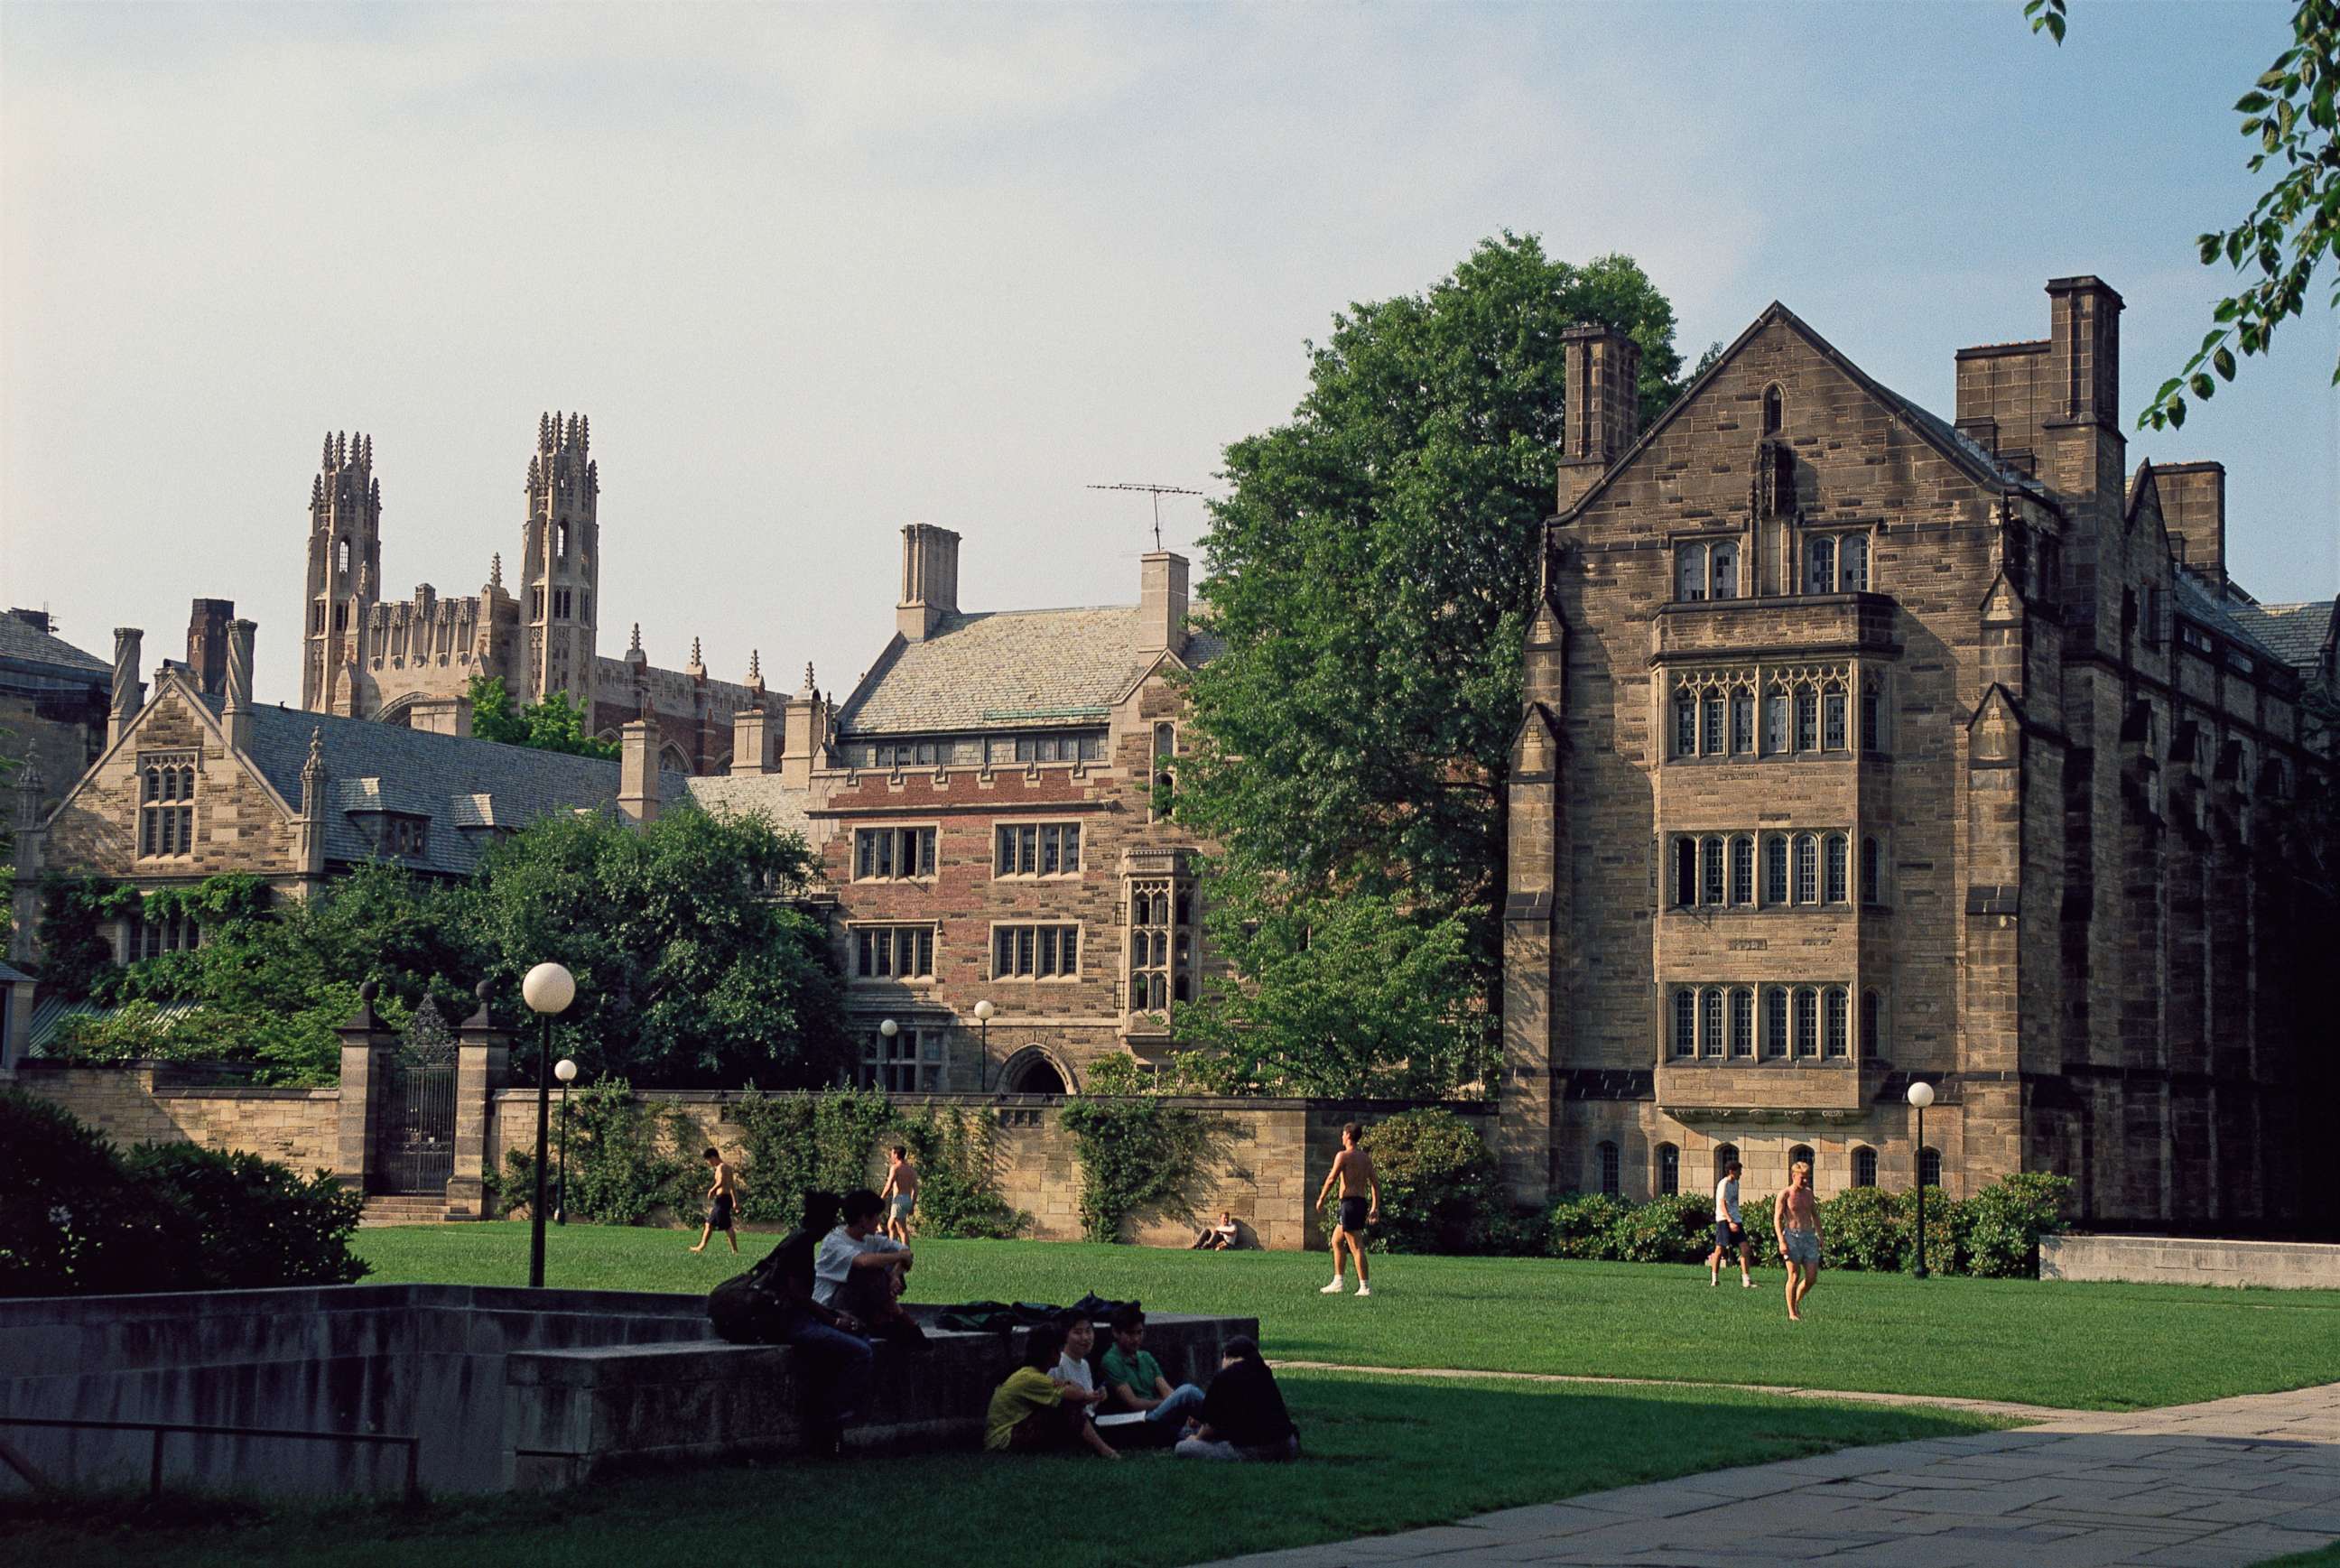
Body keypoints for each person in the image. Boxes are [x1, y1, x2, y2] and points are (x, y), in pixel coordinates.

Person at [755, 1191, 875, 1457]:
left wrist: (834, 1315)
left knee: (860, 1339)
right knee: (861, 1351)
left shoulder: (799, 1239)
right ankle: (832, 1418)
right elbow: (797, 1296)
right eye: (832, 1220)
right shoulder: (801, 1245)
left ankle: (830, 1413)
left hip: (791, 1316)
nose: (833, 1227)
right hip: (787, 1322)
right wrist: (833, 1319)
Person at [986, 1321, 1119, 1459]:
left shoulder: (1032, 1374)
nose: (1062, 1354)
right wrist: (1075, 1389)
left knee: (1065, 1405)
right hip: (1004, 1441)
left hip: (1011, 1433)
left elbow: (1077, 1395)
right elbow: (1077, 1395)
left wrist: (1072, 1388)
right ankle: (1105, 1450)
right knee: (1068, 1406)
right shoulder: (1031, 1378)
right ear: (1051, 1352)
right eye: (1060, 1349)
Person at [815, 1188, 925, 1344]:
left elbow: (906, 1254)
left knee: (883, 1266)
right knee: (868, 1271)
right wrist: (897, 1259)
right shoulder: (834, 1242)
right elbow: (863, 1261)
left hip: (863, 1303)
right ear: (863, 1219)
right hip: (833, 1307)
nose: (879, 1222)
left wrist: (894, 1274)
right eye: (876, 1217)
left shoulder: (871, 1239)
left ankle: (883, 1320)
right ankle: (903, 1320)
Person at [1175, 1335, 1298, 1461]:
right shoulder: (1264, 1372)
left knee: (1183, 1446)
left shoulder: (1224, 1378)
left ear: (1226, 1356)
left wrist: (1195, 1439)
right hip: (1287, 1446)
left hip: (1254, 1449)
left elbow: (1210, 1427)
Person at [1100, 1304, 1206, 1438]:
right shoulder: (1111, 1361)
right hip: (1140, 1419)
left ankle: (1222, 1424)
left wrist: (1176, 1404)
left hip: (1158, 1414)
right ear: (1116, 1332)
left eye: (1139, 1332)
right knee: (1187, 1392)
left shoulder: (1145, 1357)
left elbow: (1167, 1392)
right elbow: (1134, 1404)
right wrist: (1172, 1403)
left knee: (1186, 1401)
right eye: (1130, 1333)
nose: (1136, 1339)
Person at [1314, 1122, 1380, 1295]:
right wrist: (1374, 1207)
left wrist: (1321, 1198)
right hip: (1359, 1203)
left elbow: (1331, 1179)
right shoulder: (1365, 1158)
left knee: (1356, 1246)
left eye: (1343, 1134)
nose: (1341, 1137)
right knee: (1336, 1240)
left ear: (1348, 1135)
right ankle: (1338, 1281)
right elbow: (1375, 1184)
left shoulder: (1343, 1156)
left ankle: (1365, 1286)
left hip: (1349, 1204)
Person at [1773, 1158, 1823, 1322]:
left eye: (1807, 1177)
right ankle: (1792, 1313)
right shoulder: (1785, 1194)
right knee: (1794, 1276)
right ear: (1794, 1176)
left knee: (1811, 1278)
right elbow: (1777, 1219)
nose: (1805, 1180)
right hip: (1792, 1238)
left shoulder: (1808, 1193)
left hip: (1808, 1237)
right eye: (1802, 1177)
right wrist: (1781, 1241)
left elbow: (1814, 1214)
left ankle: (1795, 1302)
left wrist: (1820, 1235)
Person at [1708, 1158, 1753, 1288]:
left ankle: (1746, 1280)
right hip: (1724, 1219)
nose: (1741, 1174)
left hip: (1736, 1219)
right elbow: (1722, 1203)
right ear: (1731, 1171)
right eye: (1739, 1171)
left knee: (1745, 1248)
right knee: (1720, 1249)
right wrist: (1729, 1221)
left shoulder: (1736, 1184)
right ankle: (1714, 1279)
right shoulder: (1724, 1183)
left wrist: (1735, 1220)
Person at [689, 1146, 742, 1255]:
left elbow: (721, 1181)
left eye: (709, 1161)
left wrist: (711, 1190)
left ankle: (735, 1251)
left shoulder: (720, 1167)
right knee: (709, 1224)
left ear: (713, 1157)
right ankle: (701, 1247)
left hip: (722, 1199)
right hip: (724, 1200)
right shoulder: (728, 1167)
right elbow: (732, 1186)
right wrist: (735, 1202)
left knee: (727, 1226)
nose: (709, 1163)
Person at [879, 1146, 919, 1243]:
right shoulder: (911, 1170)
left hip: (899, 1200)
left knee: (901, 1229)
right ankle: (893, 1250)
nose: (891, 1156)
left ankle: (906, 1252)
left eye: (892, 1154)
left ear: (896, 1154)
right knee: (891, 1226)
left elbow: (889, 1186)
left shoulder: (896, 1168)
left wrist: (881, 1198)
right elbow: (916, 1189)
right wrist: (912, 1205)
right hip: (907, 1199)